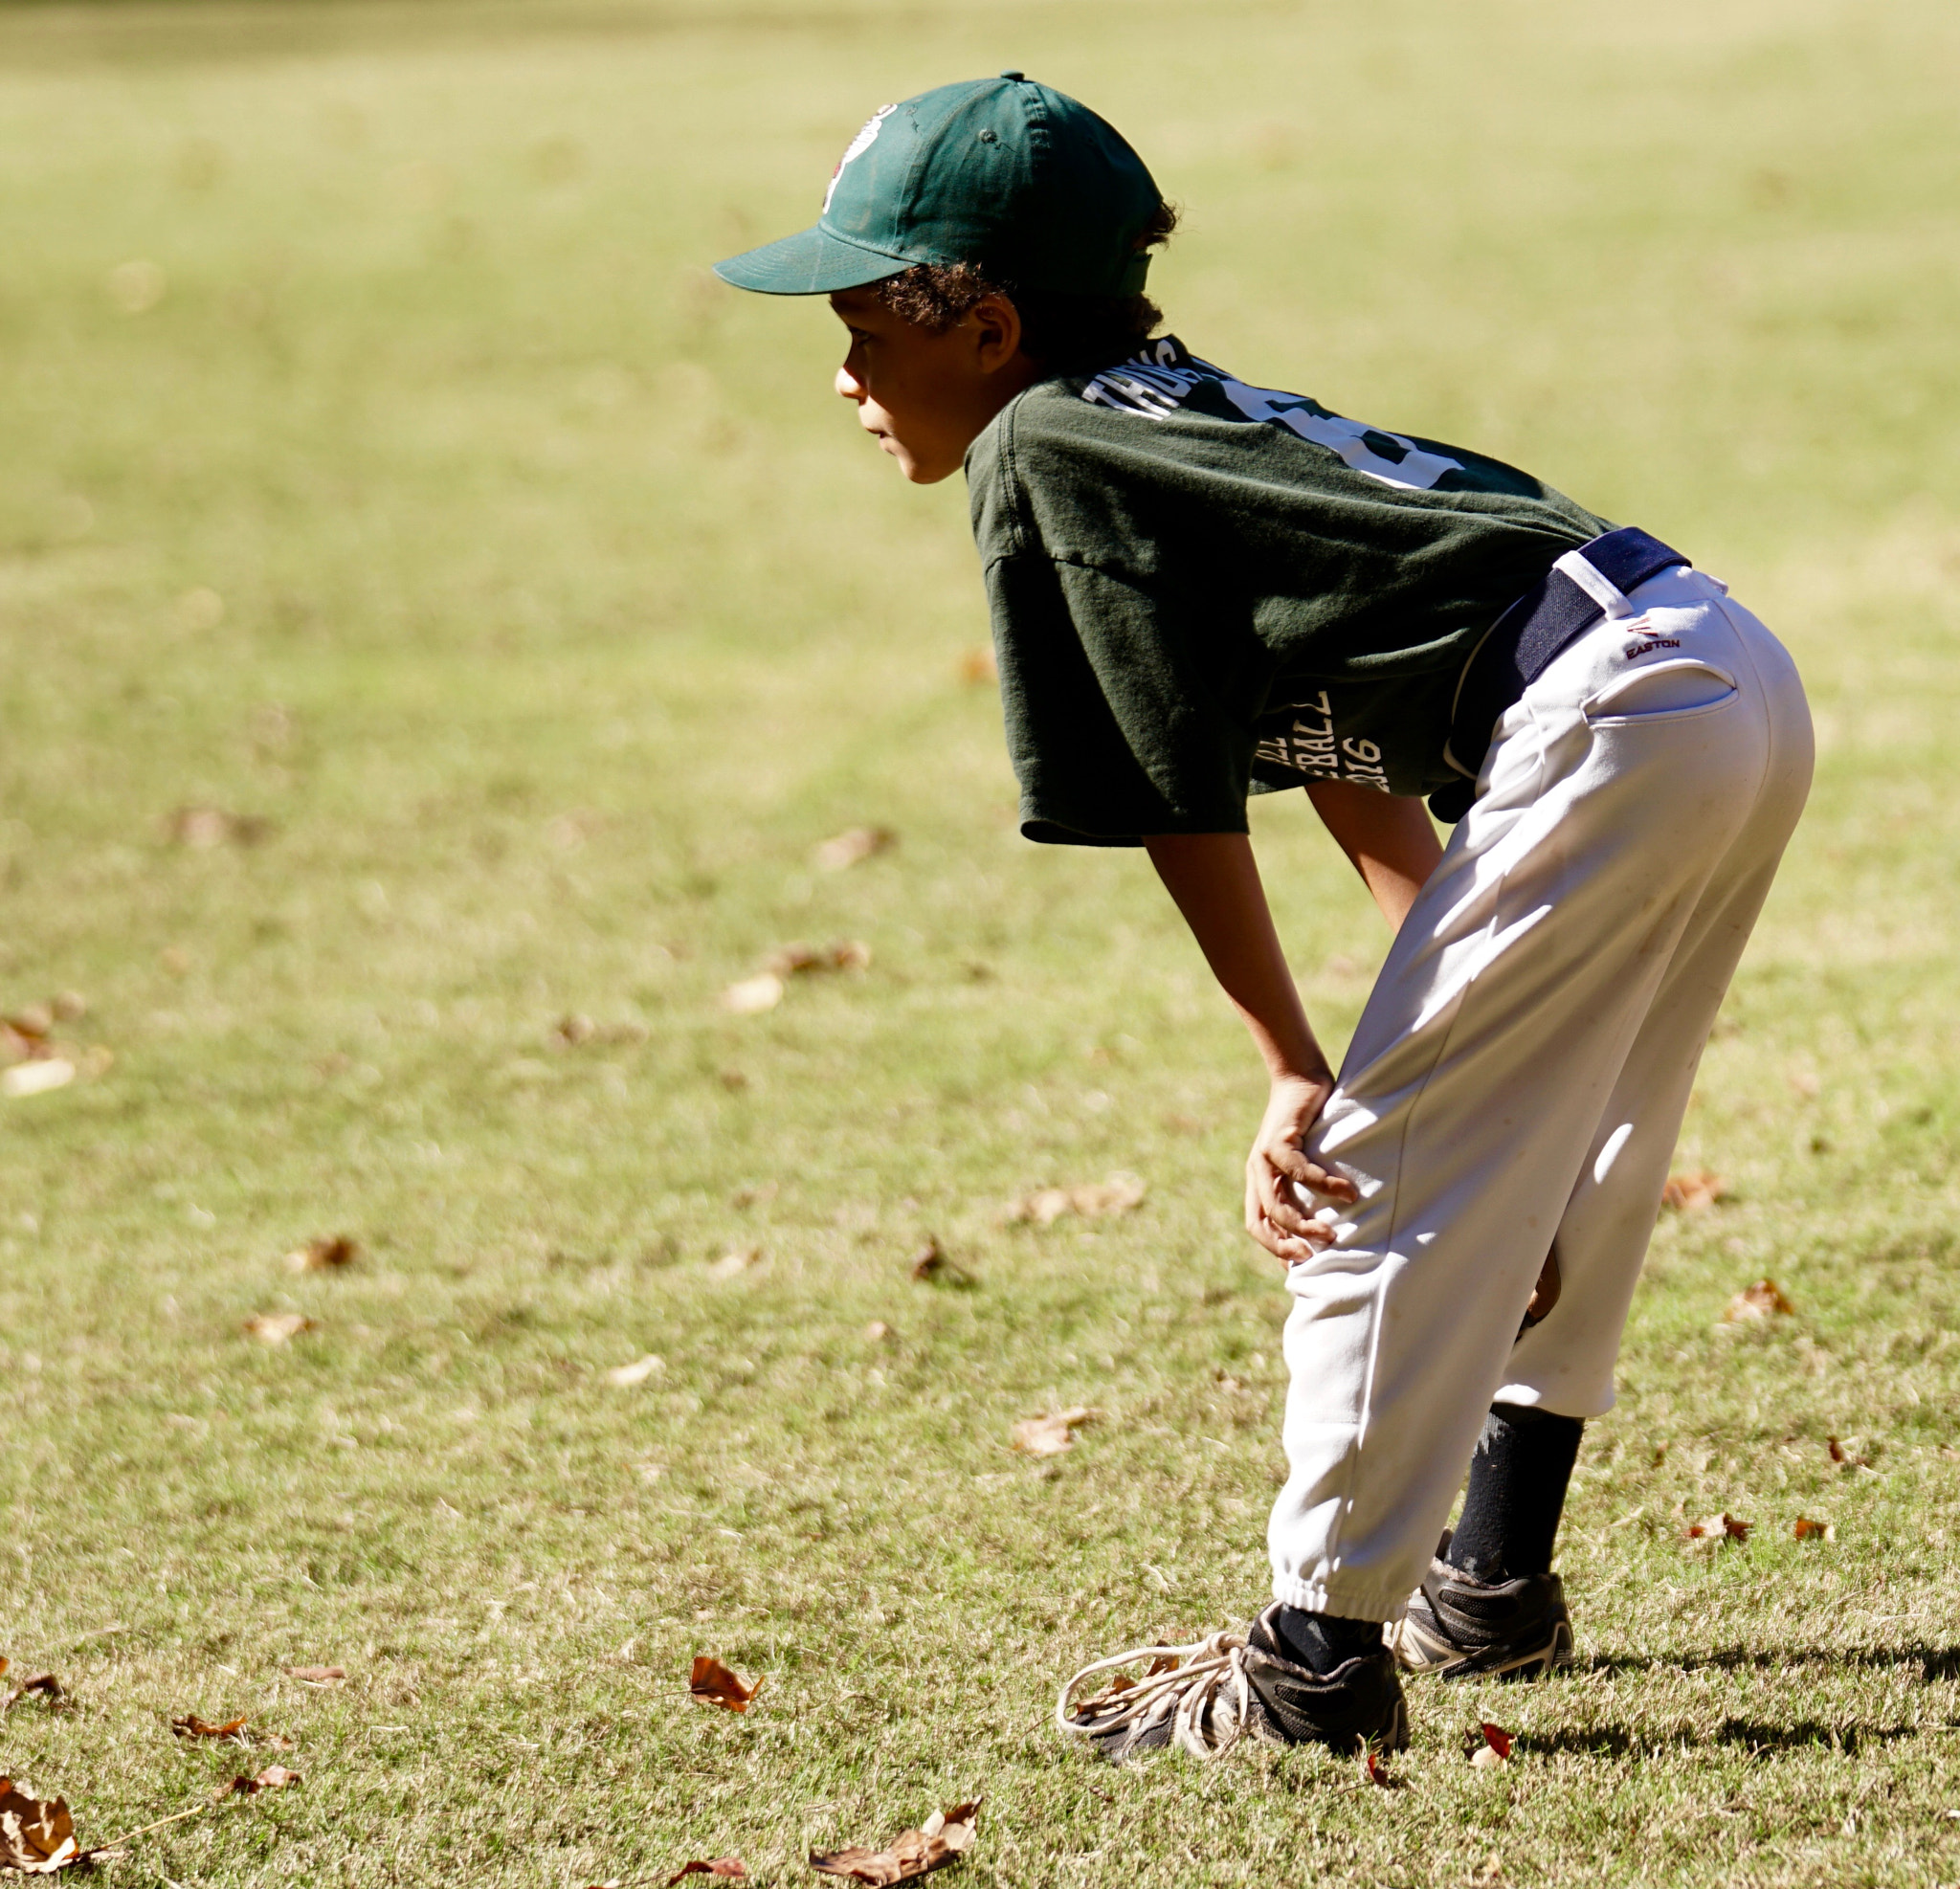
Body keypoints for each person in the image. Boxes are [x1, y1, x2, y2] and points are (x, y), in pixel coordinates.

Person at [713, 74, 1812, 1761]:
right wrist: (1424, 988)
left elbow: (1177, 787)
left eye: (866, 321)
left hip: (1600, 717)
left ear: (988, 324)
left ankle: (1313, 1663)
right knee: (1574, 1136)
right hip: (1707, 664)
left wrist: (1301, 1066)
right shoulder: (1159, 401)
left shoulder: (1042, 443)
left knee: (1370, 1176)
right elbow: (1322, 720)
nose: (845, 370)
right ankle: (1492, 1578)